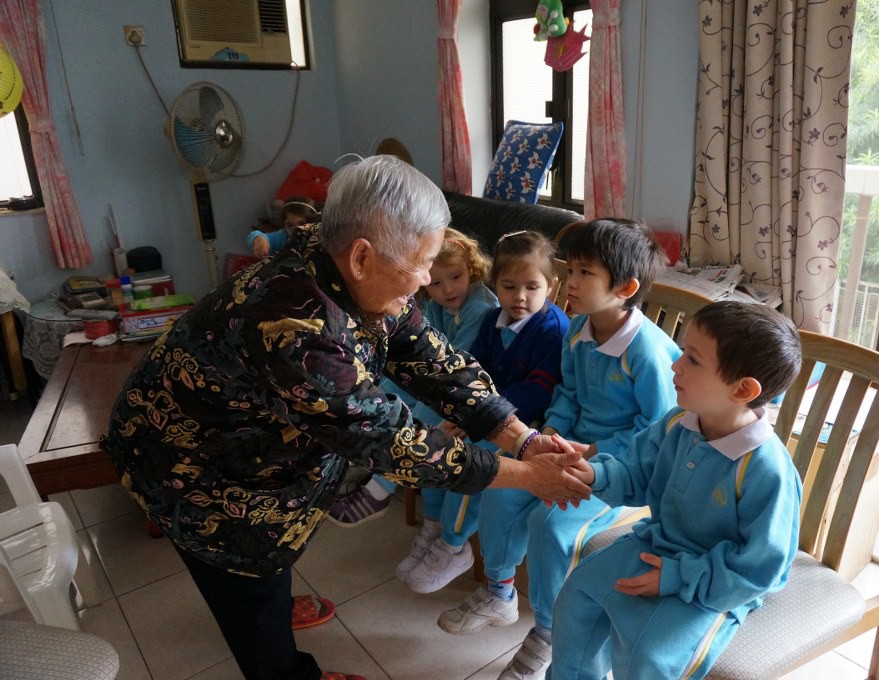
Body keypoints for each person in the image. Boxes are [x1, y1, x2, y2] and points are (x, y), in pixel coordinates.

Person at [102, 155, 590, 680]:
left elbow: (430, 356)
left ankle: (271, 612)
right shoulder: (294, 327)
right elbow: (394, 442)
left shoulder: (337, 249)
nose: (428, 278)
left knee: (265, 580)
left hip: (245, 447)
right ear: (361, 257)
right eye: (422, 263)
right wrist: (528, 476)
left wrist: (522, 439)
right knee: (246, 578)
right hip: (192, 464)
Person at [439, 218, 681, 680]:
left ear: (625, 288)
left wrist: (591, 452)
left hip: (624, 469)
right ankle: (499, 592)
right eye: (571, 271)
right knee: (499, 487)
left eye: (585, 274)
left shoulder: (645, 351)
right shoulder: (578, 330)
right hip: (570, 449)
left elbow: (656, 431)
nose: (570, 282)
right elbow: (567, 393)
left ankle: (548, 632)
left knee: (548, 523)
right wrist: (548, 435)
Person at [547, 301, 804, 680]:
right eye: (683, 352)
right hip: (657, 544)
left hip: (716, 580)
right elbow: (635, 473)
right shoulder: (678, 423)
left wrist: (676, 578)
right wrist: (594, 474)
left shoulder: (767, 469)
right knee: (577, 595)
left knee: (647, 655)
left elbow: (759, 568)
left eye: (693, 360)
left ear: (742, 389)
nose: (675, 365)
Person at [398, 230, 570, 594]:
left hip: (527, 420)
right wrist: (465, 410)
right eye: (509, 286)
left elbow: (539, 392)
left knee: (474, 461)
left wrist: (482, 417)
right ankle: (433, 526)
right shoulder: (494, 319)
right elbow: (471, 369)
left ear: (551, 287)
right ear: (494, 285)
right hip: (489, 409)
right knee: (437, 440)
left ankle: (453, 545)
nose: (520, 297)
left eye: (532, 287)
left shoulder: (553, 331)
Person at [329, 227, 497, 534]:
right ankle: (368, 451)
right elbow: (423, 351)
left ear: (471, 269)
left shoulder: (481, 307)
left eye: (456, 277)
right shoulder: (436, 303)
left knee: (425, 406)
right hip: (443, 375)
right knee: (388, 385)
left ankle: (380, 488)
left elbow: (455, 368)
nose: (448, 289)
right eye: (436, 283)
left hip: (472, 384)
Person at [248, 196, 319, 258]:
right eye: (290, 225)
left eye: (303, 224)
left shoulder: (319, 236)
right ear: (284, 225)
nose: (296, 229)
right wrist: (259, 240)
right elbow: (257, 235)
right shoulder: (283, 237)